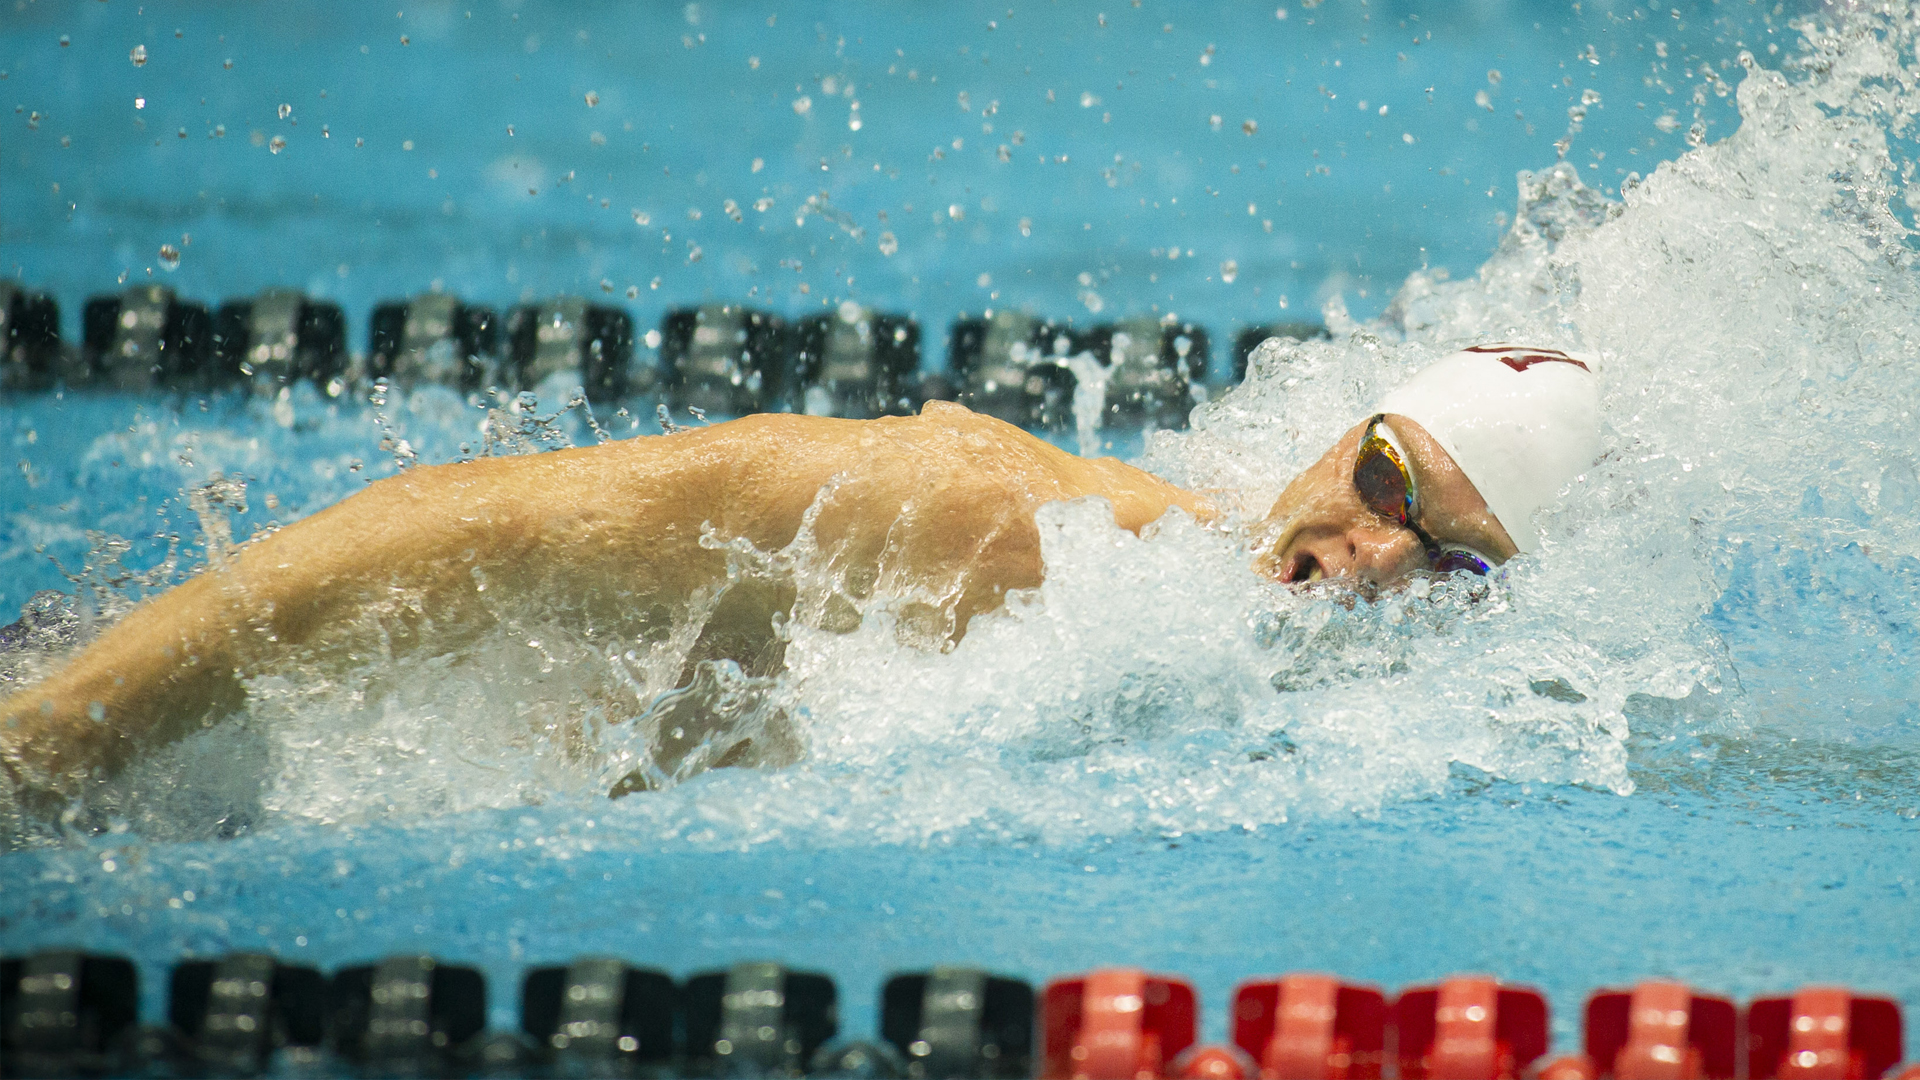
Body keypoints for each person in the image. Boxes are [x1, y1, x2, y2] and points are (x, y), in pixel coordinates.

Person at [0, 343, 1599, 809]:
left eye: (1449, 560)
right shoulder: (991, 525)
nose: (1371, 559)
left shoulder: (1274, 714)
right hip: (204, 742)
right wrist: (60, 734)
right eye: (1385, 481)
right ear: (1338, 439)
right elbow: (475, 527)